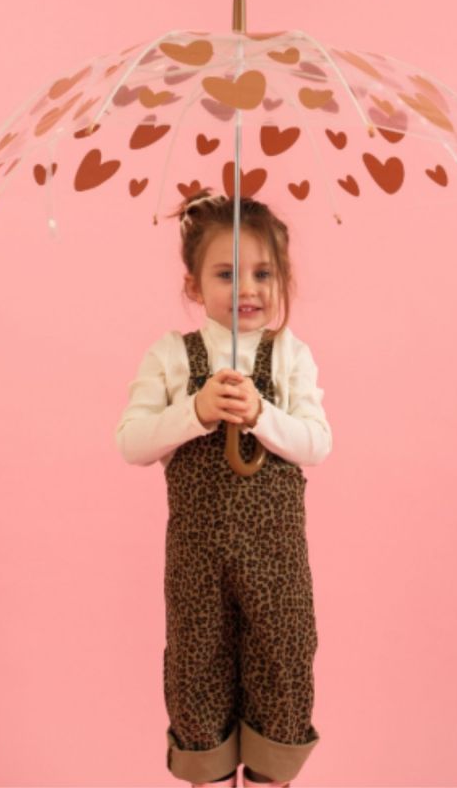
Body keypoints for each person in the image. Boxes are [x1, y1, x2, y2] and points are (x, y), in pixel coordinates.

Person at [114, 189, 332, 788]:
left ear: (282, 277)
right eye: (226, 273)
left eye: (263, 273)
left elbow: (317, 442)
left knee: (281, 670)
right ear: (194, 286)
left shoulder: (290, 357)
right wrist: (197, 411)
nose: (248, 289)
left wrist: (261, 413)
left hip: (276, 566)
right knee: (198, 675)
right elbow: (131, 442)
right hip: (198, 566)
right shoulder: (172, 358)